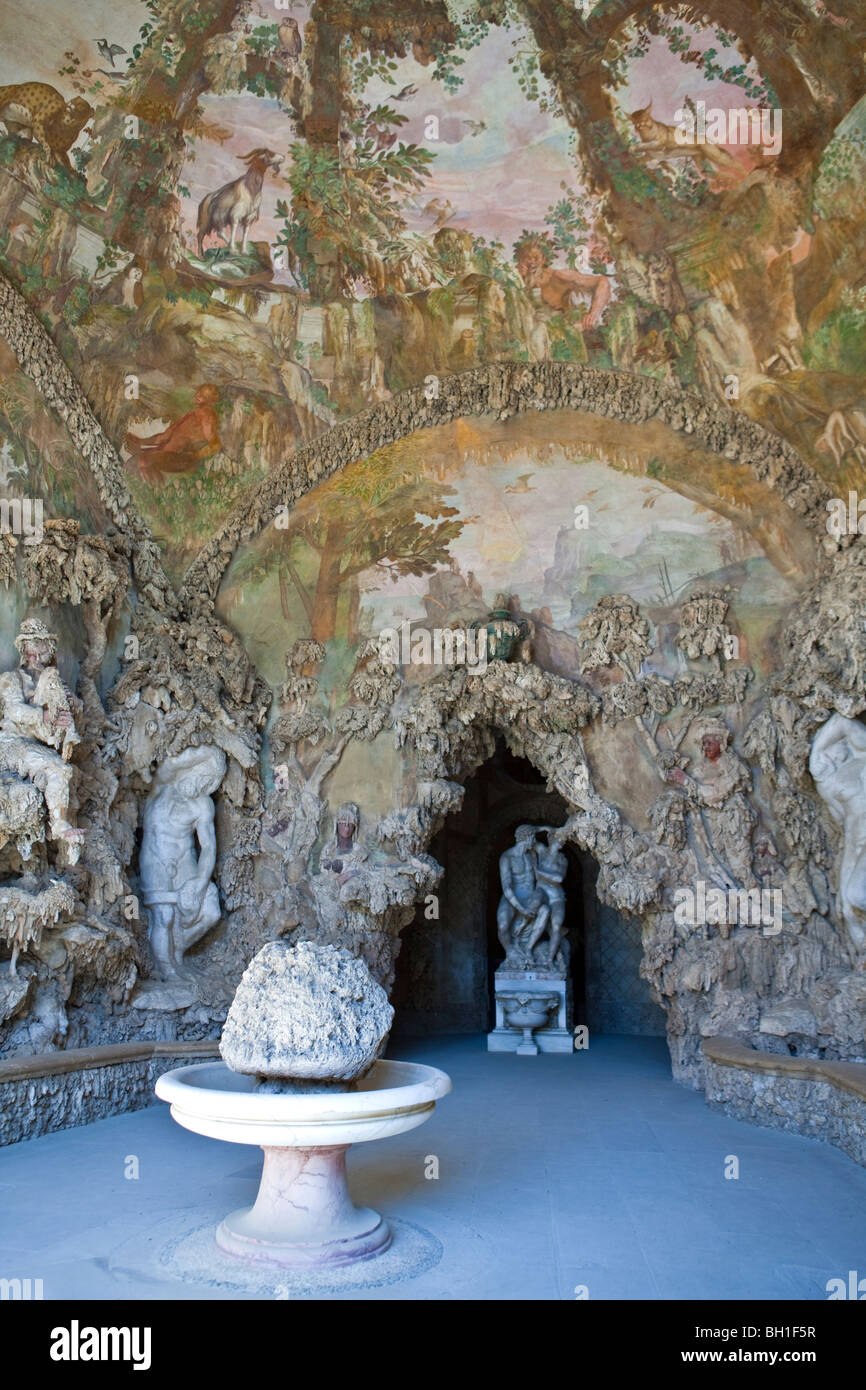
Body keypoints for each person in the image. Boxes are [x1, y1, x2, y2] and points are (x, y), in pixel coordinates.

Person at [140, 745, 226, 978]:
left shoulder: (202, 804)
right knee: (164, 916)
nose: (202, 786)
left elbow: (208, 847)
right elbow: (174, 761)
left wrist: (199, 882)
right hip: (155, 860)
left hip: (186, 862)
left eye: (209, 784)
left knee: (211, 911)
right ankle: (167, 970)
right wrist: (211, 756)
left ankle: (177, 947)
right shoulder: (162, 786)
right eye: (203, 777)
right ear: (194, 768)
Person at [0, 618, 84, 857]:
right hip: (11, 743)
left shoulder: (53, 682)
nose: (35, 656)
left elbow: (71, 710)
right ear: (23, 651)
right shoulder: (11, 679)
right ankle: (58, 824)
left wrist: (73, 707)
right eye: (31, 650)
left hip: (35, 746)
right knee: (56, 767)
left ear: (49, 650)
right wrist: (44, 715)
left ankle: (59, 823)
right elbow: (13, 710)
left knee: (60, 769)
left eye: (41, 650)